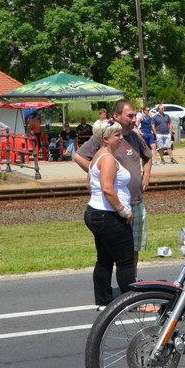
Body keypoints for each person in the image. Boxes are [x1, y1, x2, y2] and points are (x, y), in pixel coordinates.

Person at [75, 99, 153, 275]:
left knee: (134, 248)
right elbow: (79, 157)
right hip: (115, 205)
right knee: (116, 253)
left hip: (136, 201)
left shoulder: (134, 136)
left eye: (135, 116)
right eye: (130, 116)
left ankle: (132, 281)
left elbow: (148, 156)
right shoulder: (105, 137)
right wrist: (99, 175)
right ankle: (126, 288)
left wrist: (146, 174)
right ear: (116, 116)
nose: (134, 119)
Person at [83, 122, 135, 310]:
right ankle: (133, 302)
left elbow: (90, 184)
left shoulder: (98, 155)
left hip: (96, 213)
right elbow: (107, 188)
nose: (121, 137)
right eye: (117, 135)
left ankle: (103, 301)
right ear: (105, 139)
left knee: (104, 259)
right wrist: (123, 210)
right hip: (108, 216)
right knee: (125, 260)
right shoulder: (107, 158)